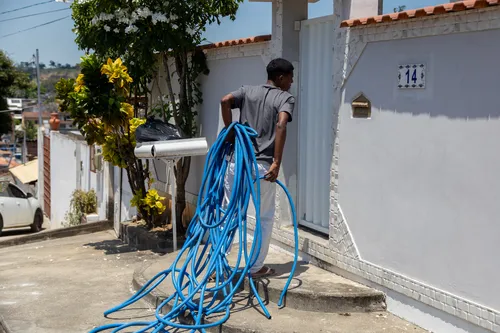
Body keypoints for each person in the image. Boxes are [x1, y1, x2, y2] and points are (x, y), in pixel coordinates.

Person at [219, 58, 295, 278]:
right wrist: (277, 162)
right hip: (262, 167)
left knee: (228, 213)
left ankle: (219, 265)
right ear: (280, 77)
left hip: (237, 162)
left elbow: (225, 100)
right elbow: (281, 124)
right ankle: (255, 268)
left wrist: (230, 132)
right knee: (264, 217)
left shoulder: (247, 91)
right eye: (290, 77)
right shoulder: (285, 97)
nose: (292, 82)